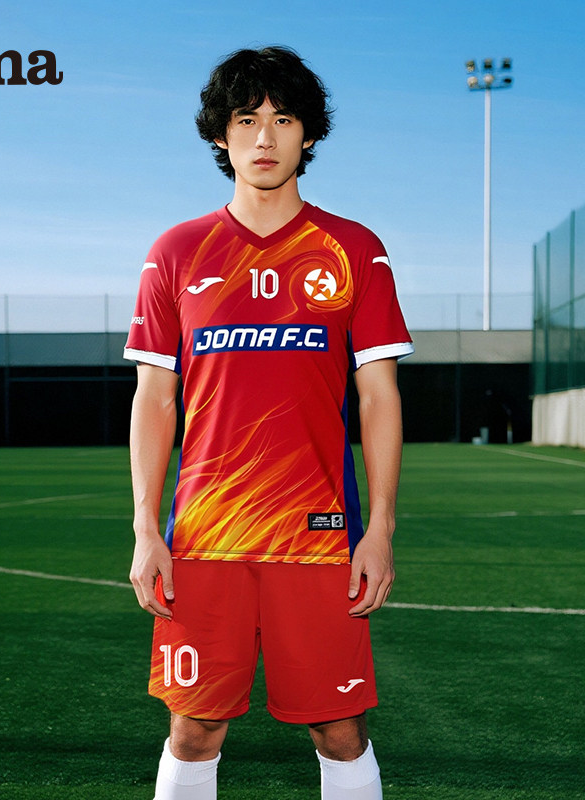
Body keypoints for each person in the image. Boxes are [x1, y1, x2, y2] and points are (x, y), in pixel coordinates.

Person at [125, 45, 414, 800]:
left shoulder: (355, 250)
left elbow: (379, 396)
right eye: (246, 119)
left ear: (308, 134)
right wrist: (146, 530)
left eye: (283, 120)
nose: (264, 137)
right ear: (221, 135)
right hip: (204, 538)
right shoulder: (175, 253)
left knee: (339, 727)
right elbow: (155, 400)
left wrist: (380, 530)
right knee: (193, 728)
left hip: (319, 535)